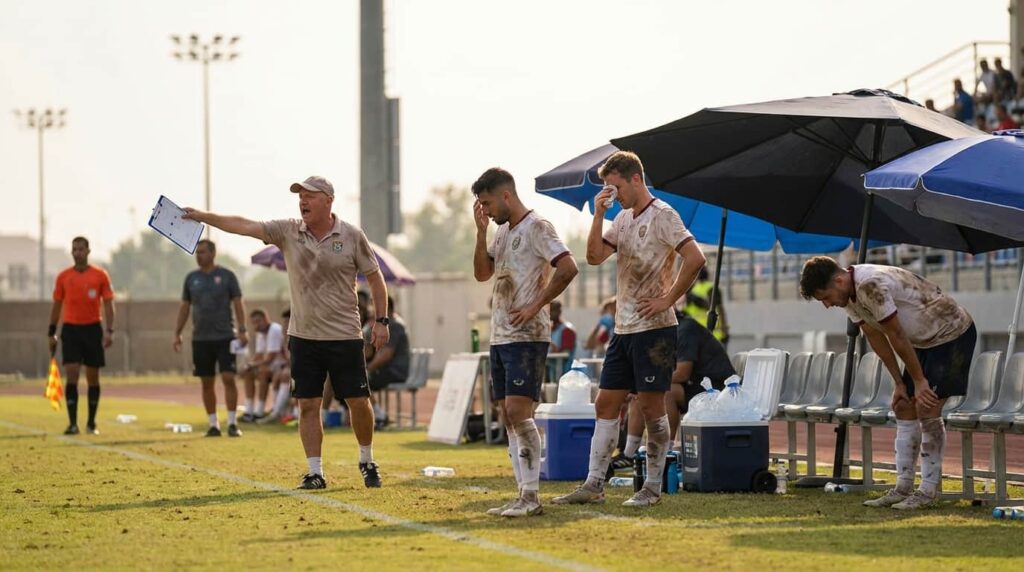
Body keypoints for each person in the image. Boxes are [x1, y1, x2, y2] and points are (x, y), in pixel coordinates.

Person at [183, 175, 390, 490]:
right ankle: (314, 471)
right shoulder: (289, 230)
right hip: (304, 337)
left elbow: (375, 280)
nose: (303, 201)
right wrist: (203, 216)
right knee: (307, 404)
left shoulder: (351, 236)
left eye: (310, 196)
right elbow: (244, 225)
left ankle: (366, 459)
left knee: (357, 401)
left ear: (328, 200)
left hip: (345, 335)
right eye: (300, 196)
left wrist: (381, 321)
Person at [553, 151, 706, 508]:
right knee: (606, 403)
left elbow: (696, 258)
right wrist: (600, 213)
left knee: (652, 407)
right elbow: (592, 257)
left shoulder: (664, 215)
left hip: (655, 330)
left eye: (616, 186)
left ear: (635, 179)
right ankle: (593, 484)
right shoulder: (621, 218)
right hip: (624, 330)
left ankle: (652, 487)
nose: (613, 193)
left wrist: (668, 299)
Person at [799, 256, 976, 510]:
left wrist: (919, 381)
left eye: (825, 297)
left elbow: (896, 334)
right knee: (903, 405)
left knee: (927, 406)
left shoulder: (870, 285)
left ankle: (928, 490)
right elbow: (875, 336)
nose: (827, 305)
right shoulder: (848, 296)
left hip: (951, 333)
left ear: (838, 280)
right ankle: (903, 486)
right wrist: (899, 384)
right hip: (923, 342)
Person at [472, 167, 578, 518]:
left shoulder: (538, 226)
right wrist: (480, 233)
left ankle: (531, 496)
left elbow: (568, 267)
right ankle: (521, 493)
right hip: (501, 335)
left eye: (487, 203)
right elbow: (482, 274)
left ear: (506, 195)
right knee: (507, 414)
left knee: (519, 411)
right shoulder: (501, 232)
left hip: (527, 336)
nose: (485, 210)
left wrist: (536, 305)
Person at [173, 239, 247, 437]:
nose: (199, 256)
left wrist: (242, 329)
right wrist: (177, 332)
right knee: (207, 382)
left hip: (225, 336)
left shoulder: (227, 276)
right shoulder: (191, 278)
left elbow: (238, 303)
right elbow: (184, 307)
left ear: (213, 253)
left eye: (203, 252)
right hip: (201, 338)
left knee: (228, 377)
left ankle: (232, 423)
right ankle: (213, 424)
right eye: (197, 253)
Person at [48, 237, 115, 435]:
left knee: (93, 377)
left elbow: (109, 303)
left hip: (93, 329)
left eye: (80, 249)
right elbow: (57, 305)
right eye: (74, 249)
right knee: (72, 374)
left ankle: (91, 423)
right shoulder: (63, 277)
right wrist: (51, 331)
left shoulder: (100, 275)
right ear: (71, 252)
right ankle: (72, 423)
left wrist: (110, 330)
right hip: (71, 330)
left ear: (88, 251)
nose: (77, 253)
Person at [665, 310, 736, 440]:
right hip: (699, 386)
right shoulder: (672, 332)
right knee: (644, 392)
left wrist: (648, 383)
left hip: (718, 390)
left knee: (664, 391)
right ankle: (629, 449)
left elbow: (682, 374)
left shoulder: (685, 330)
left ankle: (665, 448)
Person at [365, 295, 410, 429]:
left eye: (373, 307)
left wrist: (368, 369)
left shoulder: (395, 325)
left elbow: (386, 354)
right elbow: (368, 352)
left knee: (360, 381)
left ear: (384, 307)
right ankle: (377, 414)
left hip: (395, 371)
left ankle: (379, 415)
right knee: (355, 379)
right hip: (385, 370)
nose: (371, 311)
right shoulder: (382, 325)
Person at [246, 308, 287, 423]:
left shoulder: (274, 330)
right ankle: (249, 411)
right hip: (272, 367)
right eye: (254, 322)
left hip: (280, 366)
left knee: (263, 372)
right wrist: (249, 365)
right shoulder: (260, 333)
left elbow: (270, 358)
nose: (256, 325)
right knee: (248, 373)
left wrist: (253, 364)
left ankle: (259, 411)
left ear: (266, 319)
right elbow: (259, 354)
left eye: (258, 321)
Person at [683, 267, 729, 350]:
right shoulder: (691, 289)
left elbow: (716, 308)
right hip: (696, 334)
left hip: (712, 334)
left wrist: (725, 332)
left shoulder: (711, 288)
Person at [549, 300, 577, 376]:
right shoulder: (550, 329)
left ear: (559, 311)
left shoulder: (567, 330)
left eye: (552, 310)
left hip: (564, 373)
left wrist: (551, 344)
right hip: (552, 371)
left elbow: (565, 354)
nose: (549, 313)